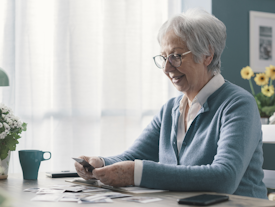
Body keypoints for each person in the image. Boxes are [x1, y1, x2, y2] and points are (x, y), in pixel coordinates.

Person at [75, 8, 267, 199]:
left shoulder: (238, 104)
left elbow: (224, 178)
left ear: (207, 55)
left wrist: (136, 173)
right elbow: (134, 157)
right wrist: (99, 163)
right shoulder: (170, 109)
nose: (167, 68)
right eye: (164, 58)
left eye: (176, 56)